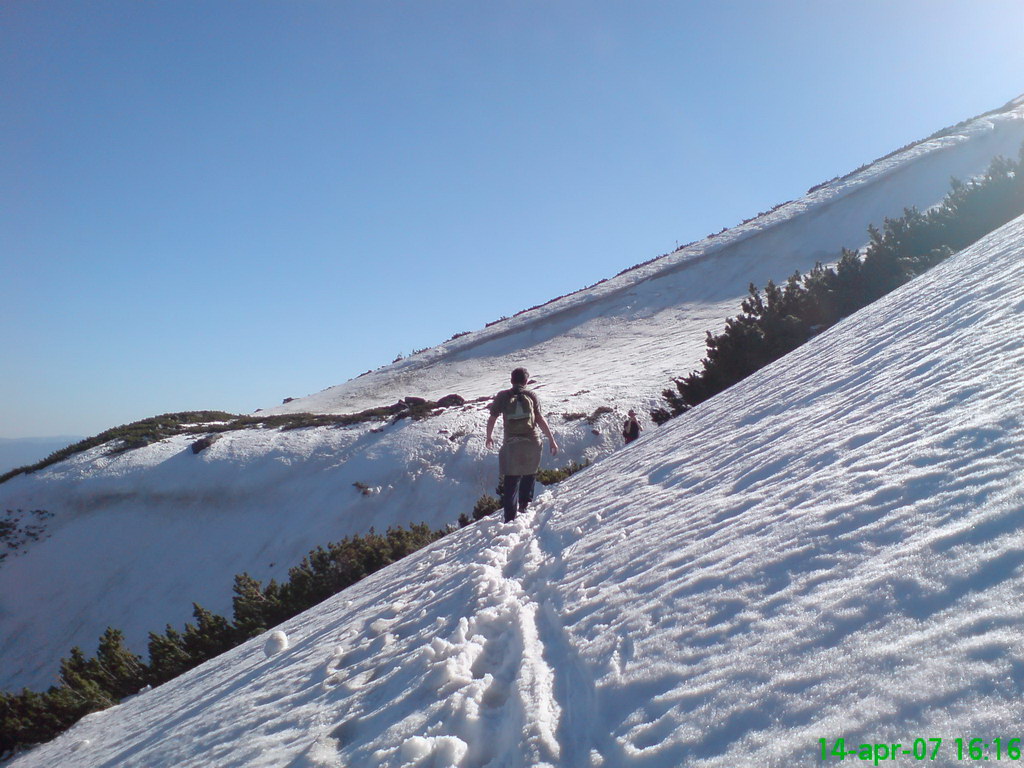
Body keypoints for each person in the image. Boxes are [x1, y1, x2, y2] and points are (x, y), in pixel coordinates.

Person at [485, 367, 559, 522]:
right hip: (531, 440)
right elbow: (539, 419)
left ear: (511, 380)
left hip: (512, 442)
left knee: (511, 479)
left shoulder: (503, 396)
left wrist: (489, 436)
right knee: (529, 471)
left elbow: (492, 418)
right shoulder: (531, 395)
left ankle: (509, 517)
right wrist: (551, 439)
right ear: (526, 381)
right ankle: (524, 504)